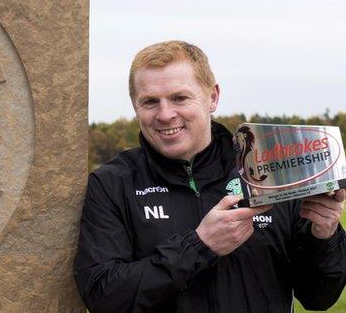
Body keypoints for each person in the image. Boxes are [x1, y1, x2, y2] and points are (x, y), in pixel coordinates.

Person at [73, 40, 346, 313]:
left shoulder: (270, 170)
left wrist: (324, 235)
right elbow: (102, 295)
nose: (166, 114)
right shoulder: (112, 184)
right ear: (135, 106)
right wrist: (200, 245)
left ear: (212, 97)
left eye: (180, 98)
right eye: (150, 102)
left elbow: (319, 298)